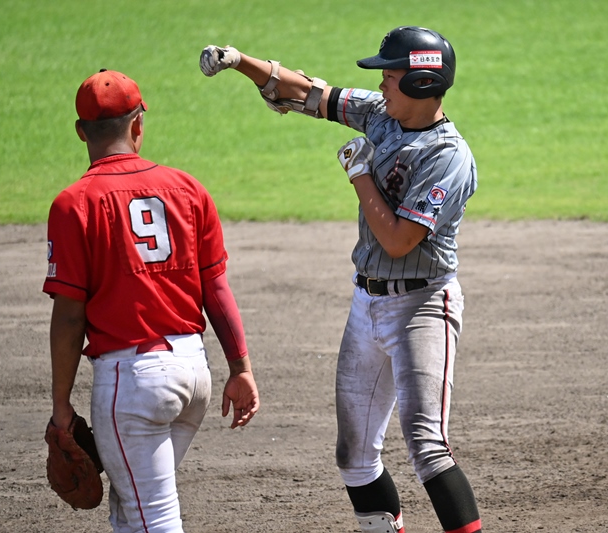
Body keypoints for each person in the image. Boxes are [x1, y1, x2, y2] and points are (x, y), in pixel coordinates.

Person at [200, 25, 481, 533]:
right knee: (353, 455)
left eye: (391, 76)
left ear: (421, 84)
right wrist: (239, 60)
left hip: (422, 306)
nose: (382, 86)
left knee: (428, 448)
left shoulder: (448, 158)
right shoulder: (381, 116)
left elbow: (398, 241)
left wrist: (359, 175)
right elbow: (311, 93)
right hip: (366, 303)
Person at [44, 69, 260, 532]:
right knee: (132, 507)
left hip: (134, 385)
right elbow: (216, 289)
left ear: (81, 132)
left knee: (153, 519)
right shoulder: (188, 189)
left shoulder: (74, 204)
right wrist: (240, 368)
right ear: (138, 126)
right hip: (193, 377)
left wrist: (61, 404)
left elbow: (68, 316)